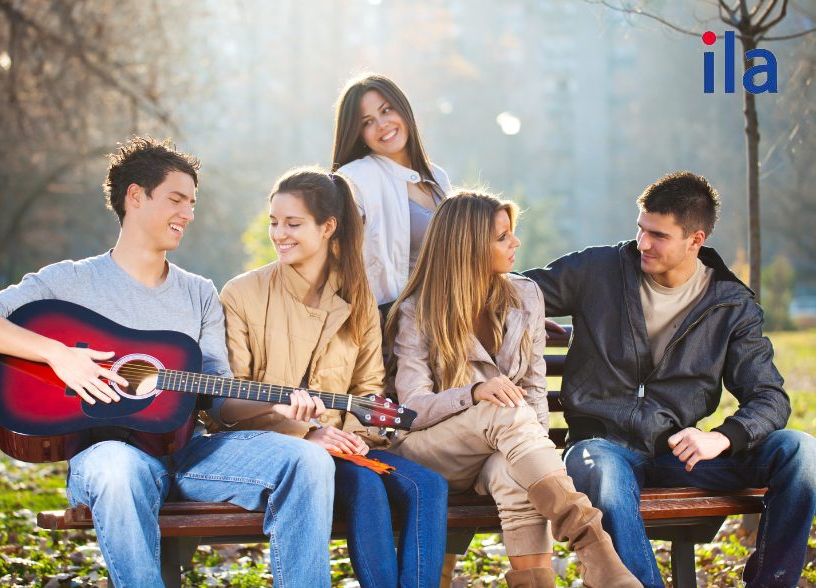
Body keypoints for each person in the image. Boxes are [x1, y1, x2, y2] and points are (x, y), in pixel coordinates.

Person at [0, 137, 335, 588]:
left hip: (191, 452)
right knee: (117, 466)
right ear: (135, 197)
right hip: (109, 455)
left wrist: (275, 406)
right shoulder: (70, 281)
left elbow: (218, 399)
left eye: (192, 203)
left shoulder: (199, 292)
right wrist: (60, 355)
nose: (188, 214)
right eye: (176, 199)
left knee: (309, 461)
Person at [522, 171, 816, 588]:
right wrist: (525, 312)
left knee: (801, 452)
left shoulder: (730, 305)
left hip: (680, 456)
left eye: (658, 235)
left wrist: (724, 437)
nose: (642, 243)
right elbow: (508, 289)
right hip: (602, 448)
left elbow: (769, 397)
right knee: (605, 470)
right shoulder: (598, 270)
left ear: (695, 240)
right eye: (640, 228)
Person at [384, 191, 641, 588]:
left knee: (516, 475)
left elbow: (536, 389)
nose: (515, 243)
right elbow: (413, 409)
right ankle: (596, 550)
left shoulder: (526, 295)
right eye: (502, 236)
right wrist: (472, 394)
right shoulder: (418, 310)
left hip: (502, 448)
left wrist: (532, 447)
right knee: (504, 408)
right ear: (467, 246)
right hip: (433, 453)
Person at [215, 166, 449, 588]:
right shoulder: (242, 294)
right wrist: (305, 435)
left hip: (346, 446)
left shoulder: (356, 297)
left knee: (428, 487)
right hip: (279, 450)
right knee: (366, 487)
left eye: (293, 223)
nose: (279, 234)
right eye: (274, 222)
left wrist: (356, 436)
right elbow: (228, 399)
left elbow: (368, 389)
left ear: (327, 227)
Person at [332, 72, 451, 307]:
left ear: (403, 109)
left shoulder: (438, 176)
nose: (382, 125)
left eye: (386, 110)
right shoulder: (354, 179)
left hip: (448, 317)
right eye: (367, 122)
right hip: (394, 326)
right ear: (359, 134)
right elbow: (333, 258)